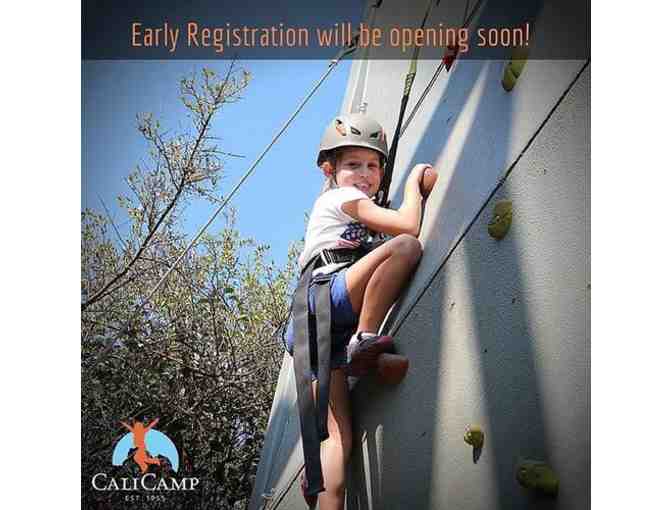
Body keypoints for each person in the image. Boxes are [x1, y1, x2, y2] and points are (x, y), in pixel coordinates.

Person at [284, 112, 433, 510]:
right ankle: (364, 340)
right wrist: (415, 183)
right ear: (330, 171)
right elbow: (407, 226)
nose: (365, 174)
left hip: (311, 327)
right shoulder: (339, 197)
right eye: (353, 165)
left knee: (338, 440)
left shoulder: (352, 207)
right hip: (324, 296)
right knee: (406, 247)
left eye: (373, 166)